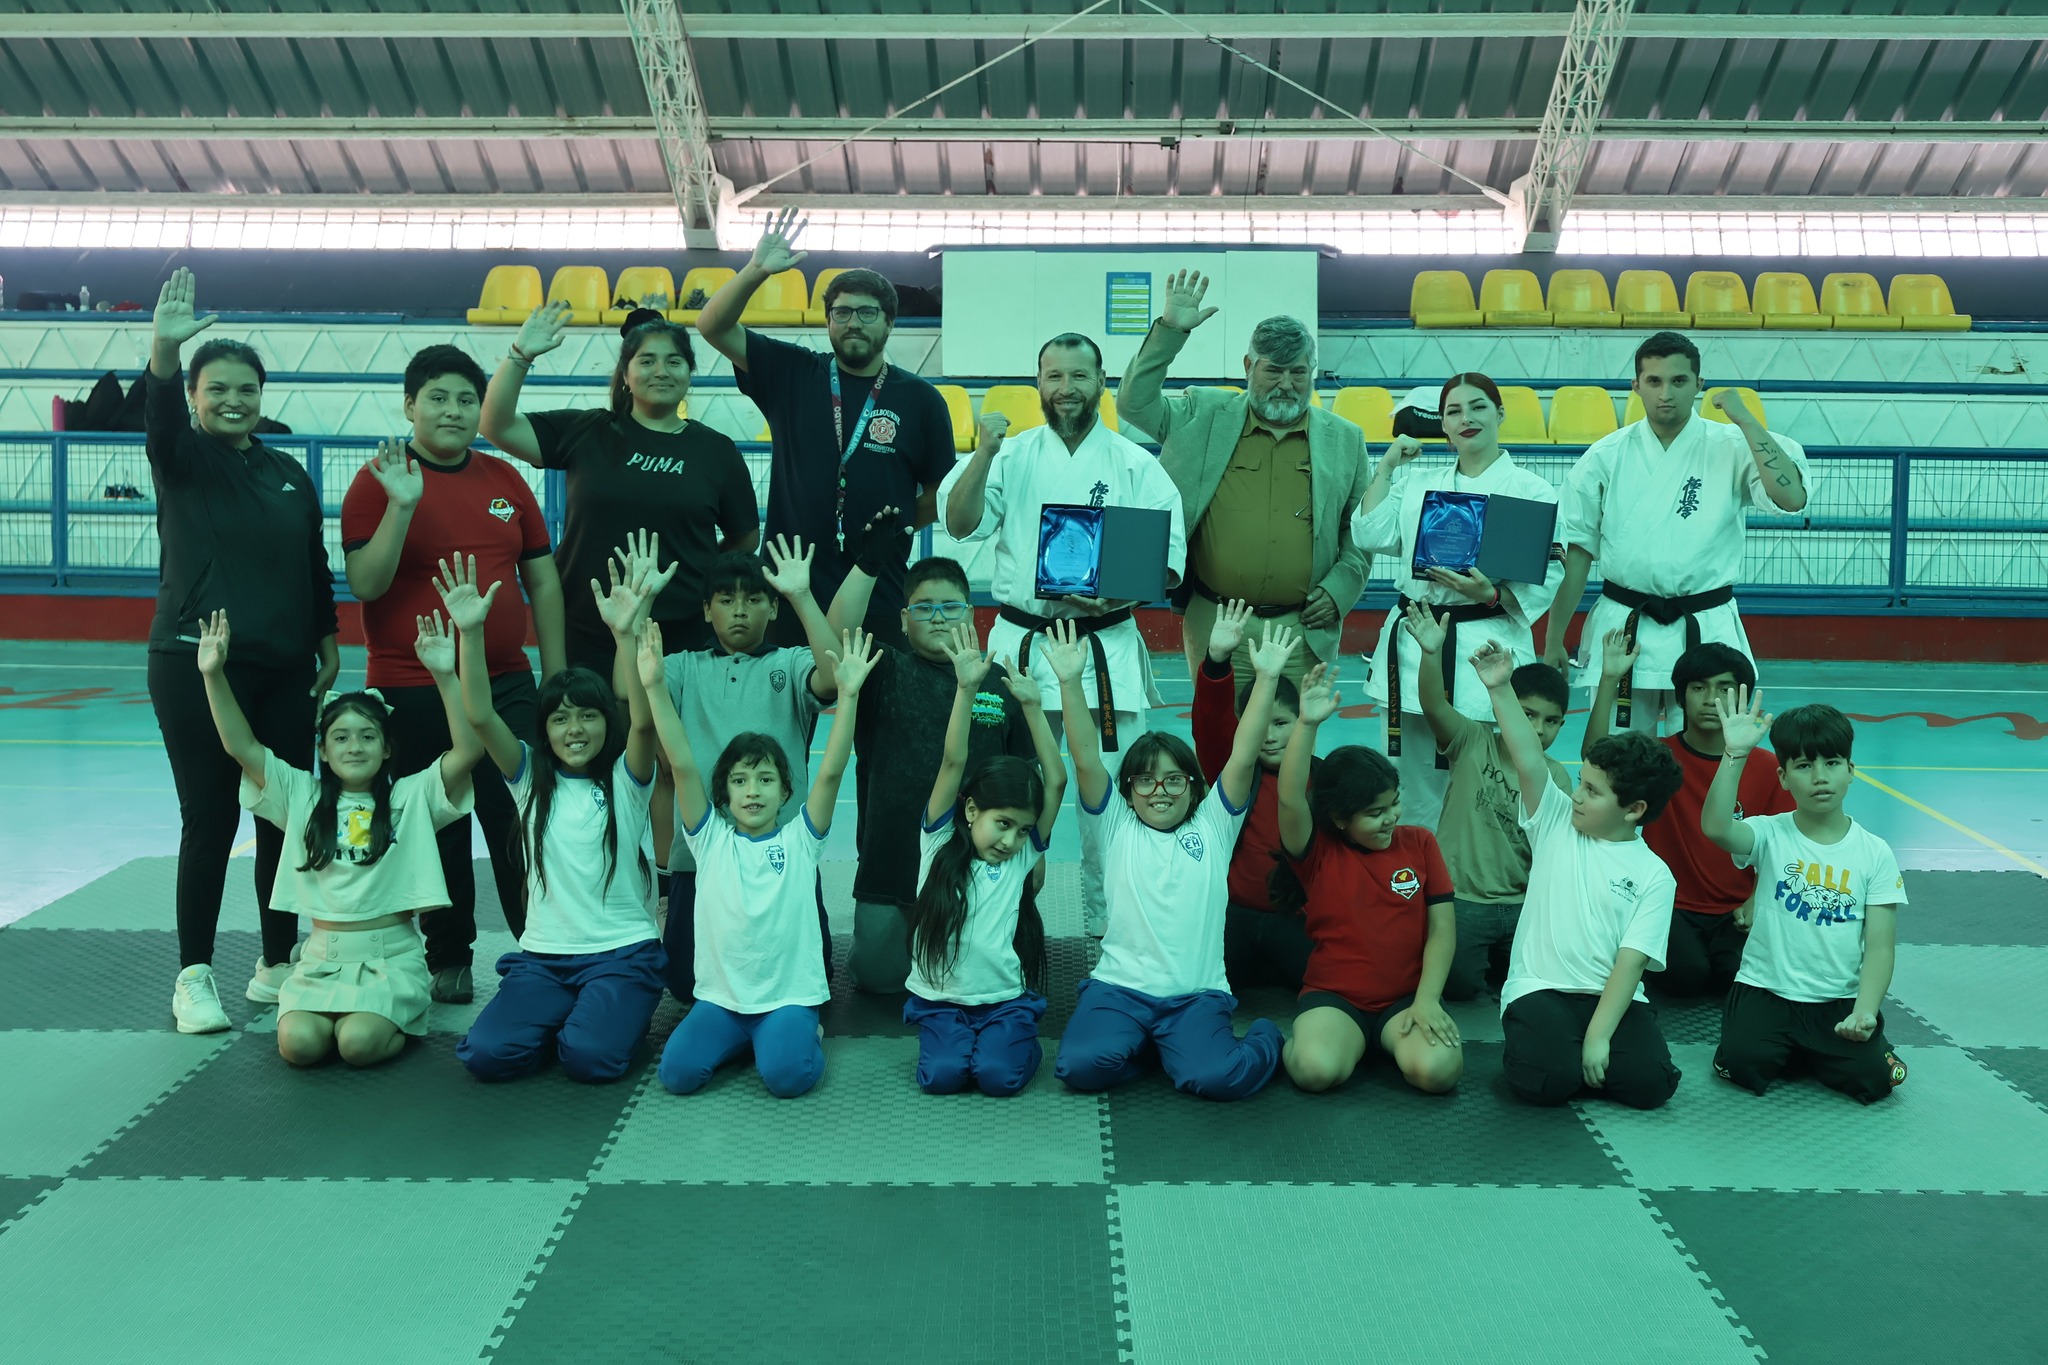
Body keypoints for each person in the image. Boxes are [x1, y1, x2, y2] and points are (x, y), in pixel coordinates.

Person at [480, 305, 761, 877]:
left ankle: (667, 884)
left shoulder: (716, 452)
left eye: (675, 361)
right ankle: (601, 878)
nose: (662, 370)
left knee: (666, 759)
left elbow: (742, 540)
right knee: (595, 762)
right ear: (626, 372)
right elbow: (496, 425)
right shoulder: (588, 431)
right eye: (647, 360)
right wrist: (519, 356)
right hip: (591, 631)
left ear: (690, 373)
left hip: (679, 635)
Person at [939, 331, 1188, 937]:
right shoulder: (1012, 454)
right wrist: (981, 451)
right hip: (1021, 647)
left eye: (1080, 376)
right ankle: (999, 927)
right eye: (1054, 376)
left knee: (1110, 797)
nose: (1067, 388)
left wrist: (1118, 592)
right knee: (1003, 792)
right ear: (1038, 384)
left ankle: (1111, 932)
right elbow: (959, 521)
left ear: (1100, 381)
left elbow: (1170, 559)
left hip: (1102, 646)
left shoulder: (1134, 463)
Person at [145, 268, 340, 1033]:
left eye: (246, 389)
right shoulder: (183, 459)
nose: (233, 400)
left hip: (285, 667)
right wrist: (164, 347)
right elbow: (158, 419)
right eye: (216, 388)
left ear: (263, 394)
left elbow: (311, 562)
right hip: (197, 661)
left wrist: (325, 639)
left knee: (282, 818)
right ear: (195, 395)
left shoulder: (287, 469)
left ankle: (275, 962)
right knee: (211, 816)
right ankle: (193, 975)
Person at [341, 345, 565, 1003]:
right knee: (435, 823)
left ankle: (544, 945)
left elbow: (543, 582)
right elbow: (366, 582)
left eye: (467, 398)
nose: (454, 410)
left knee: (524, 816)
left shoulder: (505, 479)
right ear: (410, 405)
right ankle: (449, 954)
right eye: (437, 397)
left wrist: (554, 674)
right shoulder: (376, 479)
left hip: (505, 680)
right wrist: (402, 505)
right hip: (412, 683)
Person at [198, 610, 478, 1066]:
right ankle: (340, 1015)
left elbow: (468, 750)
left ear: (387, 747)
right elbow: (241, 746)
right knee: (300, 1045)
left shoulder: (411, 796)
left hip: (391, 960)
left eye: (368, 736)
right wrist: (213, 675)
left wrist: (446, 675)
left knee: (357, 1043)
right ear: (323, 751)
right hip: (319, 960)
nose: (354, 746)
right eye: (341, 737)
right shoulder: (302, 797)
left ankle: (391, 1015)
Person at [444, 556, 669, 1085]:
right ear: (544, 728)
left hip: (620, 954)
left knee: (590, 1060)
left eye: (587, 715)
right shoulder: (527, 779)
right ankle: (566, 1018)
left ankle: (595, 1018)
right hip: (544, 958)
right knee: (486, 1056)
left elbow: (640, 721)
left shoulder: (625, 780)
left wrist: (627, 633)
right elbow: (479, 715)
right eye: (560, 717)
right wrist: (470, 633)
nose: (575, 728)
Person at [1052, 619, 1293, 1102]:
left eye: (1173, 780)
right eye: (1145, 781)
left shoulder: (1213, 825)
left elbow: (1242, 757)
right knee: (1079, 1067)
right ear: (1129, 791)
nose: (1159, 791)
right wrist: (1069, 681)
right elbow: (1083, 757)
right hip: (1119, 991)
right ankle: (1152, 1046)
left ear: (1194, 786)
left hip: (1194, 995)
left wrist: (1266, 678)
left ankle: (1263, 1037)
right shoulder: (1116, 824)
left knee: (1217, 1079)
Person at [695, 208, 956, 650]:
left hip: (877, 583)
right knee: (783, 714)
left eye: (868, 313)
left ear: (890, 323)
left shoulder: (921, 399)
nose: (854, 321)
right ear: (827, 321)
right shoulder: (792, 372)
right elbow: (711, 326)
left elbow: (940, 494)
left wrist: (893, 527)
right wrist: (756, 270)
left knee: (871, 712)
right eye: (842, 312)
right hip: (787, 586)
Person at [648, 623, 878, 1100]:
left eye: (766, 780)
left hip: (786, 999)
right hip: (721, 1001)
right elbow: (682, 761)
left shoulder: (801, 839)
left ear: (785, 792)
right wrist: (652, 685)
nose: (753, 791)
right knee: (677, 1075)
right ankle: (744, 1041)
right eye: (740, 781)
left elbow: (832, 771)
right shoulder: (709, 839)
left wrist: (849, 696)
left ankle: (791, 1034)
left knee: (787, 1078)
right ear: (724, 793)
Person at [1543, 332, 1813, 735]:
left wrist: (1745, 419)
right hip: (1626, 629)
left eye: (1679, 381)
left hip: (1704, 626)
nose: (1665, 393)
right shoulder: (1605, 456)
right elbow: (1577, 554)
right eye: (1653, 381)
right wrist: (1553, 638)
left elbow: (1791, 498)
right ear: (1636, 386)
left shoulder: (1733, 444)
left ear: (1699, 385)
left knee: (1702, 763)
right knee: (1621, 763)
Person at [1116, 269, 1372, 686]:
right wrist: (1170, 332)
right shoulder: (1201, 415)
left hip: (1301, 632)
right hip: (1212, 621)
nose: (1286, 385)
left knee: (1291, 747)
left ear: (1312, 371)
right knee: (1216, 744)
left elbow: (1358, 530)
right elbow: (1133, 404)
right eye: (1273, 371)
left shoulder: (1345, 440)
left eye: (1298, 372)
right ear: (1248, 366)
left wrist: (1340, 589)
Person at [825, 510, 1043, 993]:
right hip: (891, 868)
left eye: (951, 607)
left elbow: (1030, 775)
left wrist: (1037, 855)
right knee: (877, 983)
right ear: (904, 620)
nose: (939, 617)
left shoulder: (1001, 685)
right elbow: (829, 645)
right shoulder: (881, 672)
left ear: (971, 615)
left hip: (979, 871)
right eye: (924, 608)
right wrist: (868, 563)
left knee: (982, 979)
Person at [1349, 372, 1567, 832]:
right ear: (1442, 425)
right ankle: (1417, 874)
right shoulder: (1417, 485)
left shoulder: (1532, 490)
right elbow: (1369, 533)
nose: (1466, 418)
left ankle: (1479, 877)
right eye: (1454, 411)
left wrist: (1489, 593)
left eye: (1478, 407)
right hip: (1416, 638)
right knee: (1411, 780)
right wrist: (1386, 467)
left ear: (1500, 413)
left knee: (1486, 771)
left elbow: (1550, 573)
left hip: (1487, 643)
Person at [1477, 639, 1685, 1110]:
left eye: (1592, 791)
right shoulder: (1554, 822)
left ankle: (1579, 1056)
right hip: (1541, 989)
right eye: (1580, 782)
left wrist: (1597, 1036)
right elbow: (1528, 756)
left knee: (1652, 1085)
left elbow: (1630, 965)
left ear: (1634, 810)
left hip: (1610, 998)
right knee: (1543, 1082)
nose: (1576, 795)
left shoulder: (1655, 875)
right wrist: (1500, 687)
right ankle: (1557, 1055)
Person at [632, 536, 842, 999]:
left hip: (781, 855)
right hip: (701, 856)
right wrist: (638, 609)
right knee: (688, 988)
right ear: (707, 610)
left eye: (754, 599)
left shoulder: (789, 664)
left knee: (810, 982)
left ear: (773, 608)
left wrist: (802, 595)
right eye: (727, 600)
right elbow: (633, 696)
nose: (740, 609)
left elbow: (833, 676)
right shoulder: (685, 667)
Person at [1703, 694, 1909, 1104]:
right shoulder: (1769, 834)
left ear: (1851, 771)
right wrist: (1735, 754)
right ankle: (1795, 1049)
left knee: (1877, 1080)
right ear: (1783, 777)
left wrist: (1865, 1010)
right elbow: (1716, 827)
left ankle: (1806, 1050)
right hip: (1765, 991)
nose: (1819, 777)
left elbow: (1881, 947)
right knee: (1742, 1065)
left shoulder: (1875, 853)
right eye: (1803, 766)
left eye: (1832, 764)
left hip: (1835, 998)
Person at [1271, 664, 1463, 1096]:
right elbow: (1289, 796)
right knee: (1315, 1071)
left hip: (1407, 1001)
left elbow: (1442, 932)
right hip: (1336, 999)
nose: (1391, 818)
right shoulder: (1317, 852)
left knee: (1438, 1073)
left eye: (1394, 804)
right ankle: (1308, 1041)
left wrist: (1428, 999)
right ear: (1339, 818)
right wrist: (1306, 723)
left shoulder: (1420, 844)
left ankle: (1384, 1042)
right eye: (1375, 813)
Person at [902, 623, 1067, 1096]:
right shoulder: (936, 844)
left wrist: (1033, 707)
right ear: (972, 810)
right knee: (942, 1077)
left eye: (1022, 829)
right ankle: (966, 1040)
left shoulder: (1018, 859)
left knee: (998, 1078)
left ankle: (1017, 1039)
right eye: (1002, 823)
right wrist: (966, 689)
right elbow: (954, 762)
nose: (1012, 839)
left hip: (1002, 1001)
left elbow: (1055, 781)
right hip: (941, 1002)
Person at [1585, 636, 1795, 998]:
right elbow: (1596, 759)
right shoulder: (1658, 759)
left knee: (1736, 976)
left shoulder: (1767, 767)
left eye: (1725, 688)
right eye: (1699, 688)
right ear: (1681, 697)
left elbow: (1786, 847)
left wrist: (1756, 900)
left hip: (1737, 909)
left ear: (1744, 697)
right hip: (1671, 906)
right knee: (1687, 976)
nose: (1712, 699)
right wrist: (1608, 679)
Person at [1400, 602, 1572, 1003]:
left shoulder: (1556, 777)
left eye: (1551, 721)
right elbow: (1433, 705)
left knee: (1527, 987)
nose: (1538, 729)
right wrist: (1431, 654)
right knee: (1458, 988)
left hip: (1522, 904)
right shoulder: (1472, 740)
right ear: (1507, 708)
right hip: (1462, 900)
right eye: (1528, 714)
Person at [1190, 599, 1312, 992]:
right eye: (1263, 723)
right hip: (1234, 917)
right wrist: (1217, 660)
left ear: (1303, 722)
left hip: (1297, 919)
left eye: (1282, 723)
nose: (1270, 735)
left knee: (1321, 984)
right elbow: (1211, 723)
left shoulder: (1323, 780)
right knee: (1205, 988)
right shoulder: (1234, 775)